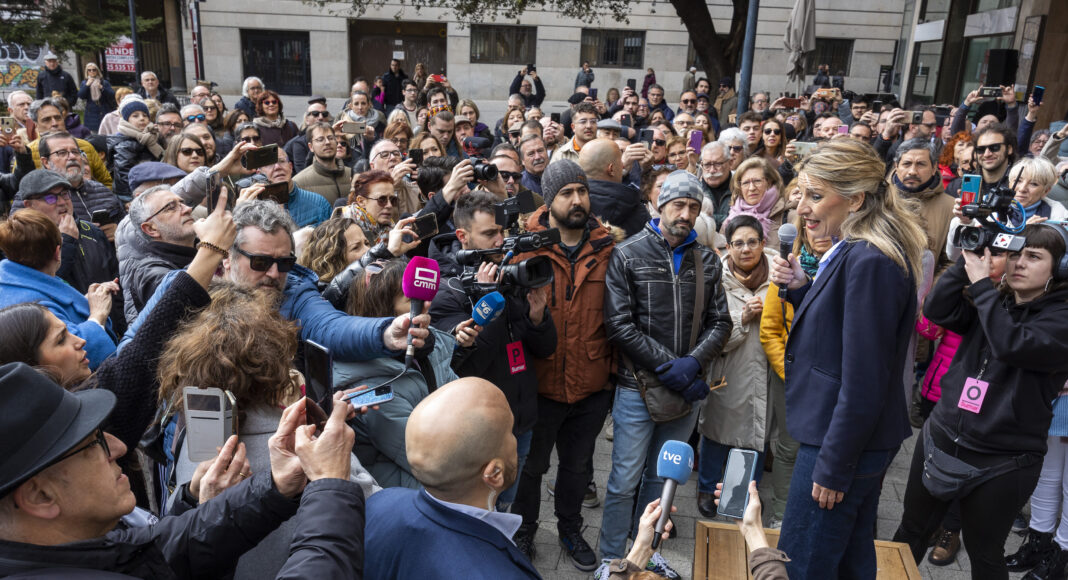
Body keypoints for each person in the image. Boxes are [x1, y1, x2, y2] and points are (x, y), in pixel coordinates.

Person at [0, 359, 369, 578]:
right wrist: (330, 485)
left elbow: (163, 546)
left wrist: (276, 487)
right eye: (93, 445)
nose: (118, 447)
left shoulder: (67, 549)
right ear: (39, 495)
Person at [769, 138, 927, 579]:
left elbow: (864, 380)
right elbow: (839, 337)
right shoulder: (858, 249)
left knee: (803, 563)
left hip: (840, 443)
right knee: (851, 561)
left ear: (856, 199)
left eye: (816, 196)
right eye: (803, 194)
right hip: (848, 436)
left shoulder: (870, 260)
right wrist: (803, 290)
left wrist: (835, 466)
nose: (802, 208)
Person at [159, 281, 379, 579]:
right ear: (275, 360)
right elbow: (368, 504)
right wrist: (333, 440)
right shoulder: (299, 447)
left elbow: (168, 525)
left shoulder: (191, 435)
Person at [894, 224, 1068, 579]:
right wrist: (964, 264)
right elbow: (939, 310)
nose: (1019, 263)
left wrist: (982, 287)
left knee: (984, 554)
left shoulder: (1060, 318)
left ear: (1060, 270)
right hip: (940, 439)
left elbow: (1012, 343)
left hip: (1003, 462)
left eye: (1033, 257)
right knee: (909, 534)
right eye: (1015, 254)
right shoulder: (996, 301)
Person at [598, 170, 731, 573]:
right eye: (678, 204)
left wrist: (691, 364)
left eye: (693, 206)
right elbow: (619, 323)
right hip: (636, 386)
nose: (685, 213)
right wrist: (665, 365)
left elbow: (720, 322)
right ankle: (611, 558)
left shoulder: (707, 259)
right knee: (623, 478)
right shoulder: (629, 253)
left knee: (663, 481)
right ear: (659, 206)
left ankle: (648, 552)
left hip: (685, 388)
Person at [124, 198, 431, 365]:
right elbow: (131, 352)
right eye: (259, 262)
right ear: (227, 258)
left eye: (284, 262)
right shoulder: (184, 288)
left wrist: (386, 333)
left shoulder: (295, 291)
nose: (273, 274)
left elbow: (331, 326)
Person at [511, 161, 616, 571]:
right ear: (550, 200)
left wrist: (610, 379)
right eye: (567, 194)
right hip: (539, 384)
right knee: (532, 468)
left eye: (582, 191)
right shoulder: (526, 247)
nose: (577, 201)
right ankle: (524, 531)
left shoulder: (608, 248)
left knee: (577, 467)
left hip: (591, 385)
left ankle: (570, 528)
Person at [428, 190, 556, 508]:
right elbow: (466, 366)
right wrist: (489, 300)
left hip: (521, 421)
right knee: (484, 508)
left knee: (507, 503)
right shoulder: (449, 292)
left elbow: (546, 348)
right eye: (489, 234)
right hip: (481, 431)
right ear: (463, 236)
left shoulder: (511, 273)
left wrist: (538, 315)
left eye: (502, 231)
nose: (500, 241)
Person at [364, 377, 539, 578]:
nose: (515, 439)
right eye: (509, 432)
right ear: (494, 473)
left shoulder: (380, 503)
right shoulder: (502, 573)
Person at [335, 260, 468, 489]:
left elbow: (461, 401)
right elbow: (428, 459)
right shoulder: (373, 385)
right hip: (411, 495)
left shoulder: (427, 346)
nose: (427, 304)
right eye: (411, 299)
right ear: (383, 308)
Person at [698, 214, 776, 517]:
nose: (746, 249)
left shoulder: (778, 280)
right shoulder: (716, 281)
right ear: (727, 247)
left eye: (752, 242)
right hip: (727, 371)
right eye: (738, 243)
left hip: (765, 374)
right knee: (718, 434)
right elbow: (708, 334)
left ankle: (743, 493)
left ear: (762, 243)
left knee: (756, 436)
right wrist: (739, 320)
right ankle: (707, 488)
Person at [759, 219, 832, 526]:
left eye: (830, 231)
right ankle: (780, 514)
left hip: (829, 380)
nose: (822, 235)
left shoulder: (845, 270)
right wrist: (790, 372)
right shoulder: (787, 273)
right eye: (816, 229)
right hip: (790, 378)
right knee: (789, 448)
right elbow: (769, 331)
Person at [0, 206, 117, 368]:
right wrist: (97, 316)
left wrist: (87, 302)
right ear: (57, 252)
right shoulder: (34, 306)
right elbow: (73, 352)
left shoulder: (10, 281)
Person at [890, 138, 955, 267]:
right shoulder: (878, 200)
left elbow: (951, 261)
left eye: (921, 164)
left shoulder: (951, 207)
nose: (913, 171)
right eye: (907, 164)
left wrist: (930, 286)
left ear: (934, 168)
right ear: (896, 166)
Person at [579, 138, 651, 238]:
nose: (623, 166)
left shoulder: (572, 207)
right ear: (611, 169)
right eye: (620, 163)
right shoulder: (638, 210)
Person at [108, 96, 165, 198]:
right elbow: (123, 173)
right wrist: (129, 197)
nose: (141, 118)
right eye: (135, 116)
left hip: (151, 186)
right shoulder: (125, 143)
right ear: (126, 120)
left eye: (144, 115)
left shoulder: (150, 136)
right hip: (131, 192)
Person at [723, 157, 787, 248]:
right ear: (739, 187)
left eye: (757, 181)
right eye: (745, 183)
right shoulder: (731, 216)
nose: (752, 188)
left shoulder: (787, 214)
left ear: (769, 182)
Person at [293, 122, 352, 206]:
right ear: (311, 147)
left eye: (331, 138)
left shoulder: (352, 175)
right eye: (320, 139)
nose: (327, 142)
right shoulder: (299, 183)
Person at [298, 216, 371, 286]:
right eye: (356, 247)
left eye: (366, 243)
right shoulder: (325, 297)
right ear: (333, 259)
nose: (368, 250)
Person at [77, 62, 115, 133]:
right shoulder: (84, 82)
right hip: (91, 111)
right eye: (89, 70)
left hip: (103, 109)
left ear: (97, 71)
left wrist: (101, 87)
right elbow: (81, 96)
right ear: (87, 72)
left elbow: (112, 95)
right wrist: (87, 85)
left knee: (106, 131)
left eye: (94, 70)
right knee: (93, 133)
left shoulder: (104, 82)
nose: (92, 71)